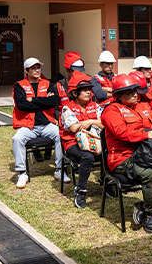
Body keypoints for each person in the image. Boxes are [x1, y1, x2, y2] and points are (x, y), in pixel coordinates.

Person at [101, 74, 152, 234]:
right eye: (130, 93)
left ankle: (143, 205)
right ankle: (150, 214)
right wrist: (146, 134)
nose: (136, 95)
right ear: (119, 96)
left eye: (135, 91)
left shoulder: (143, 106)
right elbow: (121, 133)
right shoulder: (111, 111)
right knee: (151, 174)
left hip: (148, 154)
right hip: (123, 159)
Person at [12, 58, 68, 189]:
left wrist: (32, 100)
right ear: (26, 70)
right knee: (17, 139)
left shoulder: (48, 84)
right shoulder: (19, 85)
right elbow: (21, 105)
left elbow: (53, 102)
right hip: (28, 125)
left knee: (61, 135)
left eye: (38, 67)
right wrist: (43, 102)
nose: (37, 70)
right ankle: (22, 173)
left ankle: (59, 170)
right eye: (33, 68)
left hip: (47, 123)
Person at [60, 71, 103, 208]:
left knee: (110, 150)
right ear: (74, 93)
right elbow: (73, 128)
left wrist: (89, 121)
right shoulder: (68, 108)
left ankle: (108, 182)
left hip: (95, 140)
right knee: (88, 156)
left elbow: (105, 123)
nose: (88, 93)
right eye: (84, 90)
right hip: (72, 143)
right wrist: (95, 122)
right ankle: (81, 191)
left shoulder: (95, 106)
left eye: (89, 90)